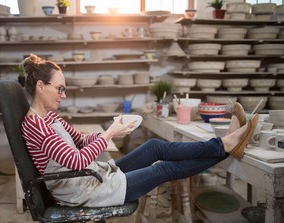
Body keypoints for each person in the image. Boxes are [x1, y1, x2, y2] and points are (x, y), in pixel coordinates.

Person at [20, 54, 258, 207]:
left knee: (154, 146)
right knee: (163, 168)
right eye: (60, 89)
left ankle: (225, 144)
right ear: (41, 86)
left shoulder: (48, 116)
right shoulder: (36, 125)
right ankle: (226, 146)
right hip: (82, 190)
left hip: (90, 177)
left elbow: (80, 139)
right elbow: (75, 159)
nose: (63, 95)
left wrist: (114, 131)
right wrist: (109, 133)